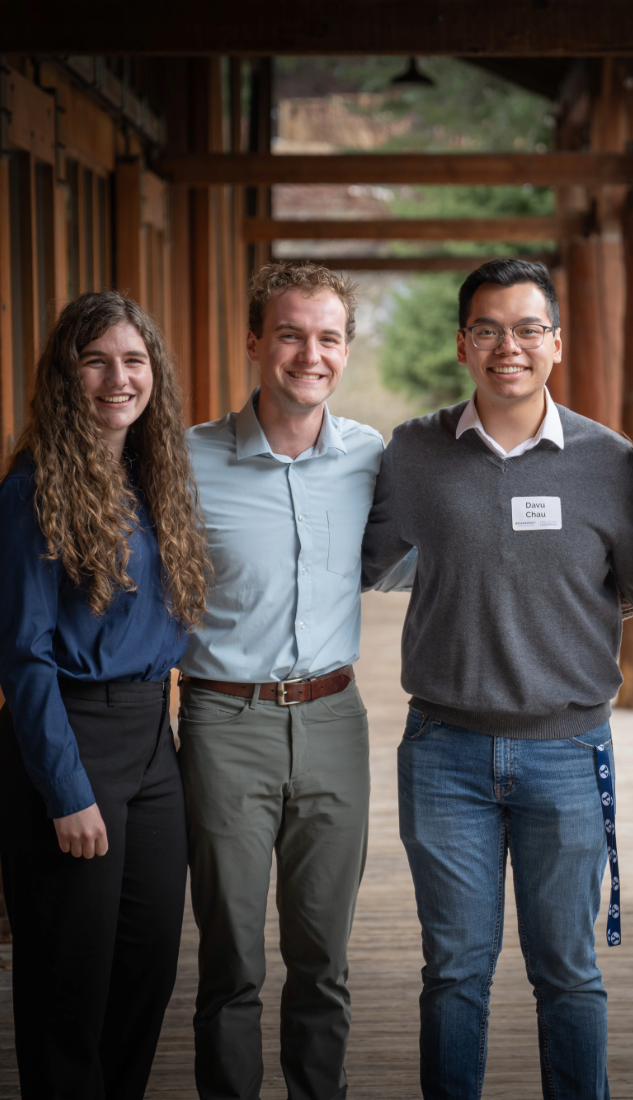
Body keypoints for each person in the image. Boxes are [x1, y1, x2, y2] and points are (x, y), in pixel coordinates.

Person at [361, 258, 633, 1100]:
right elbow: (362, 561)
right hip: (443, 751)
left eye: (528, 329)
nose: (510, 346)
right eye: (490, 329)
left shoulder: (608, 462)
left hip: (569, 753)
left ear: (556, 344)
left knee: (568, 974)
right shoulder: (416, 453)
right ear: (464, 344)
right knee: (454, 974)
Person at [178, 260, 410, 1100]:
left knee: (323, 959)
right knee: (231, 959)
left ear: (346, 351)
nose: (309, 354)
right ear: (254, 342)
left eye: (328, 338)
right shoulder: (186, 460)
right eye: (289, 334)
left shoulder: (372, 458)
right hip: (223, 721)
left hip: (333, 720)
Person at [0, 291, 210, 1100]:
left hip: (153, 744)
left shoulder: (158, 481)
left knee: (147, 969)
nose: (119, 378)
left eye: (135, 360)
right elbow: (25, 658)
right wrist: (66, 791)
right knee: (68, 984)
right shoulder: (30, 493)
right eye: (96, 360)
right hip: (66, 744)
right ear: (64, 375)